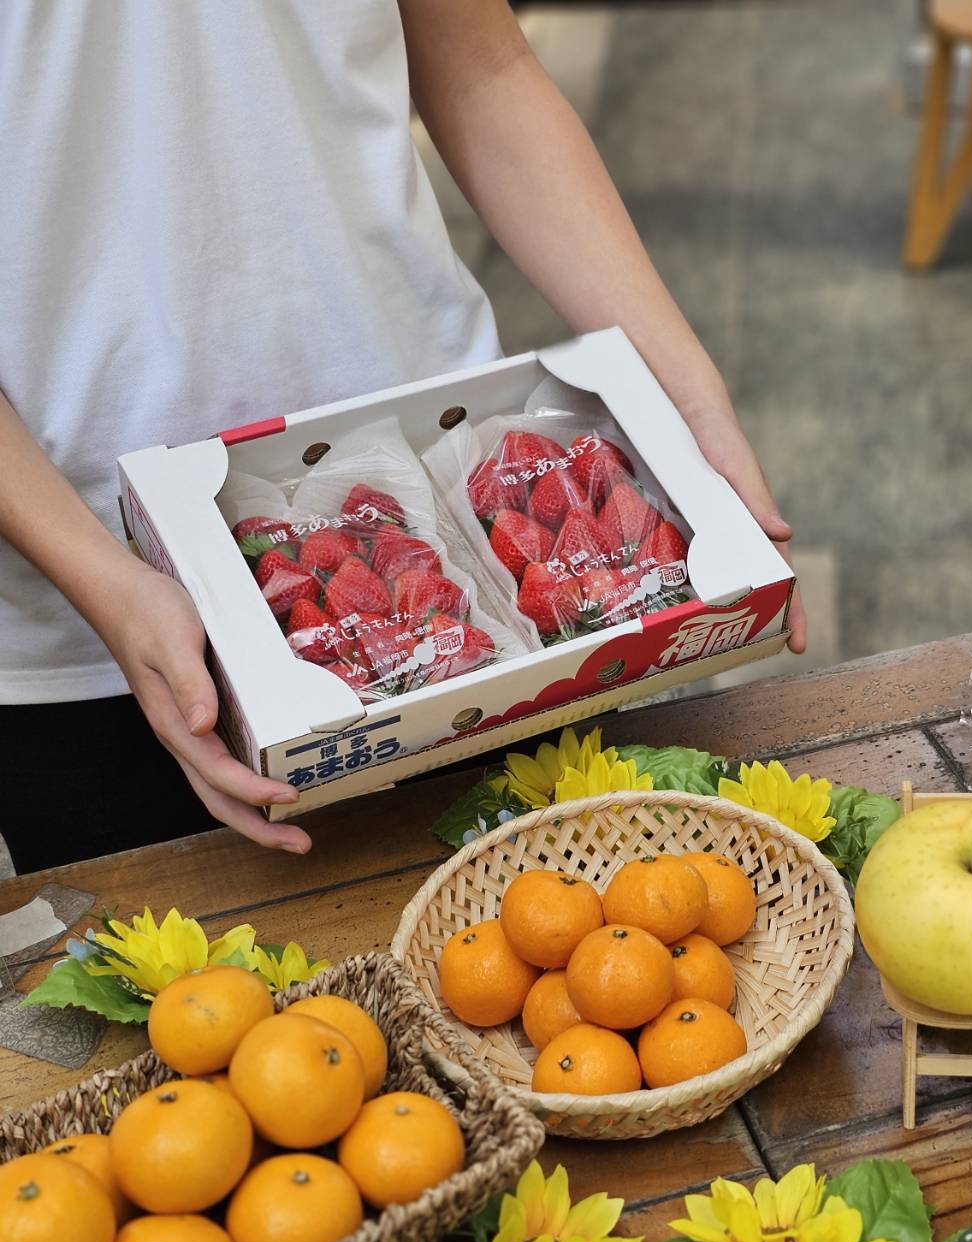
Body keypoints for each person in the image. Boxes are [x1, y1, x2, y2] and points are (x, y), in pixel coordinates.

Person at [0, 0, 804, 875]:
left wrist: (689, 405)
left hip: (464, 544)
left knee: (585, 948)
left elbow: (481, 71)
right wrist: (112, 586)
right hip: (92, 630)